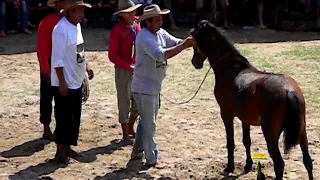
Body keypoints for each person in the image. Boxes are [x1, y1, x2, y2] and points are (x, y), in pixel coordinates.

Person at [130, 4, 195, 168]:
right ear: (148, 22)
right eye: (158, 20)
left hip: (151, 86)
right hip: (145, 87)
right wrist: (185, 45)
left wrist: (187, 39)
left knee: (146, 121)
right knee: (149, 123)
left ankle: (137, 152)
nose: (161, 22)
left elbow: (176, 42)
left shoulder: (158, 33)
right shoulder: (144, 37)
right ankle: (151, 158)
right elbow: (161, 55)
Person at [51, 0, 94, 163]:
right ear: (69, 12)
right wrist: (62, 82)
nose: (81, 15)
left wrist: (86, 66)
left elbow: (79, 49)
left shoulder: (76, 26)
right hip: (65, 81)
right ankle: (60, 151)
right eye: (78, 11)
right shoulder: (60, 30)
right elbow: (57, 59)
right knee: (63, 117)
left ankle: (67, 147)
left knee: (74, 117)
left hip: (76, 78)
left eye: (82, 11)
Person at [108, 0, 141, 145]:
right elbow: (112, 55)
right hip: (123, 70)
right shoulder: (118, 30)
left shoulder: (138, 26)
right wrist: (127, 66)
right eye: (129, 12)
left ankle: (129, 126)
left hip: (137, 68)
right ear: (122, 14)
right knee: (124, 101)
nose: (133, 13)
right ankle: (126, 134)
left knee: (138, 101)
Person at [37, 0, 65, 141]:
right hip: (50, 62)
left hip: (63, 62)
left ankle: (59, 127)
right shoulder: (47, 22)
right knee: (47, 96)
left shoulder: (68, 21)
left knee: (62, 96)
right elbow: (42, 47)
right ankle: (46, 127)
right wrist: (45, 69)